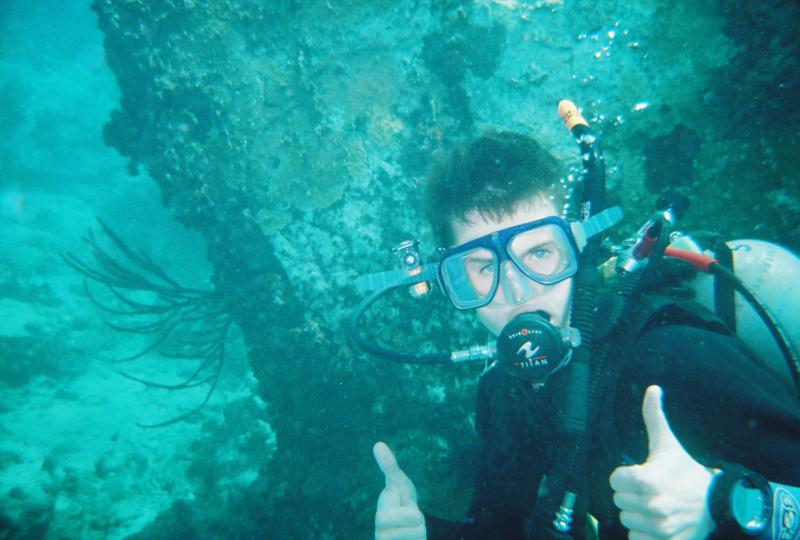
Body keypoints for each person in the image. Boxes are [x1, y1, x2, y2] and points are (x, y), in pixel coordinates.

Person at [370, 131, 800, 539]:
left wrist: (725, 505)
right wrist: (426, 532)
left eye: (539, 253)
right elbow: (501, 529)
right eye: (485, 268)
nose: (518, 290)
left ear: (577, 249)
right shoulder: (502, 394)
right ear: (455, 284)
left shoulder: (673, 353)